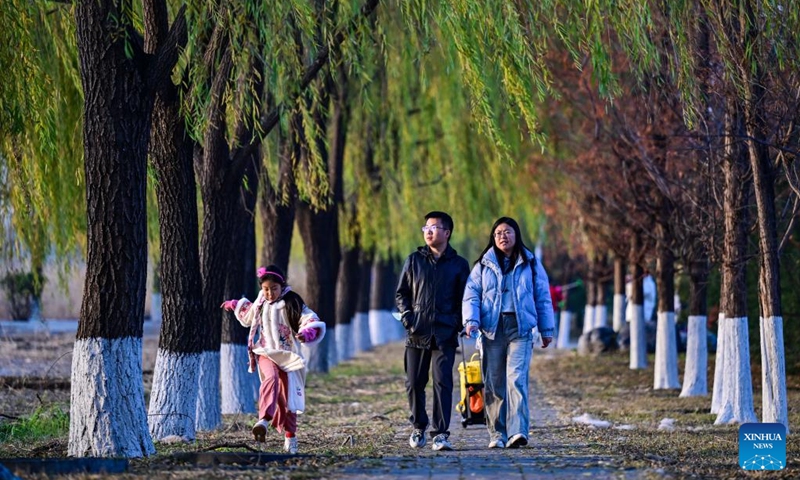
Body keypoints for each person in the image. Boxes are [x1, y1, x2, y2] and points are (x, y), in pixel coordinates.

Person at [462, 217, 555, 449]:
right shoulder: (483, 265)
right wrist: (471, 320)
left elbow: (542, 296)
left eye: (508, 232)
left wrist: (546, 329)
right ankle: (497, 433)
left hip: (520, 327)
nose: (503, 236)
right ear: (493, 238)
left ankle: (518, 432)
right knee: (494, 383)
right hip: (492, 328)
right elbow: (471, 294)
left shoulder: (531, 262)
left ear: (517, 235)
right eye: (498, 233)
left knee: (517, 380)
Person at [221, 265, 325, 454]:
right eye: (266, 289)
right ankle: (264, 420)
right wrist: (235, 304)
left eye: (274, 289)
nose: (269, 293)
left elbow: (309, 318)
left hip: (289, 357)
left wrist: (308, 332)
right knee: (271, 379)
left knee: (288, 399)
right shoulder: (261, 301)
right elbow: (249, 315)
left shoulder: (292, 301)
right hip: (266, 352)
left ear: (281, 285)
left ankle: (290, 438)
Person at [396, 211, 470, 452]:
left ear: (447, 233)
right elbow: (402, 293)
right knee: (414, 382)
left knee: (442, 383)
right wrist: (408, 316)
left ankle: (441, 434)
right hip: (417, 332)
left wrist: (457, 323)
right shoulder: (414, 260)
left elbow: (465, 299)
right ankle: (418, 427)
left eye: (434, 227)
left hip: (445, 333)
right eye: (425, 227)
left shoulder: (459, 265)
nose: (428, 231)